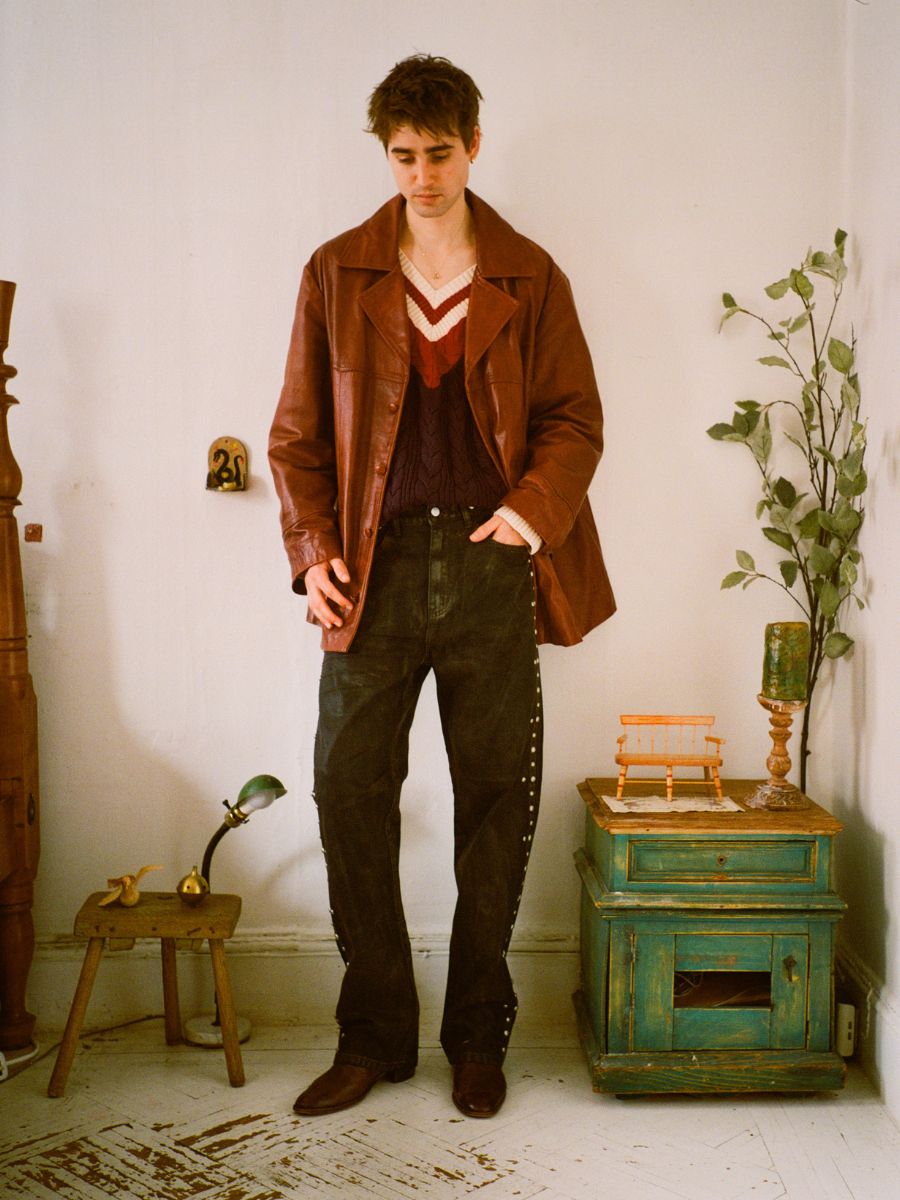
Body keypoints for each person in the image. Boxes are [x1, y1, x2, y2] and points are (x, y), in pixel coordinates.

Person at [269, 53, 614, 1120]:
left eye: (440, 154)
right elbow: (298, 438)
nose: (421, 176)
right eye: (404, 156)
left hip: (488, 566)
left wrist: (526, 518)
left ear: (474, 145)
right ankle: (375, 1035)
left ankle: (477, 1038)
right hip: (367, 576)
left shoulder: (528, 275)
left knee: (495, 805)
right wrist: (311, 551)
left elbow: (574, 420)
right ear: (387, 153)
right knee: (349, 793)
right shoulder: (337, 273)